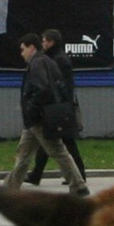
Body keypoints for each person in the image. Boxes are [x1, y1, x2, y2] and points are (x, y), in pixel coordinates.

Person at [4, 32, 87, 195]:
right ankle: (9, 188)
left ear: (31, 48)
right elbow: (60, 86)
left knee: (58, 151)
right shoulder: (49, 61)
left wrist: (31, 107)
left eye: (23, 49)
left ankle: (78, 185)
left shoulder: (37, 64)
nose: (21, 54)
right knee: (23, 153)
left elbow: (42, 89)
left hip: (39, 118)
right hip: (39, 117)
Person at [25, 27, 88, 188]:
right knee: (48, 140)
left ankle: (79, 175)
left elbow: (58, 84)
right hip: (59, 105)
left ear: (51, 42)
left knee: (65, 142)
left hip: (59, 107)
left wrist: (59, 103)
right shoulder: (55, 58)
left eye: (44, 40)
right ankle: (37, 174)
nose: (42, 43)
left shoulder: (57, 60)